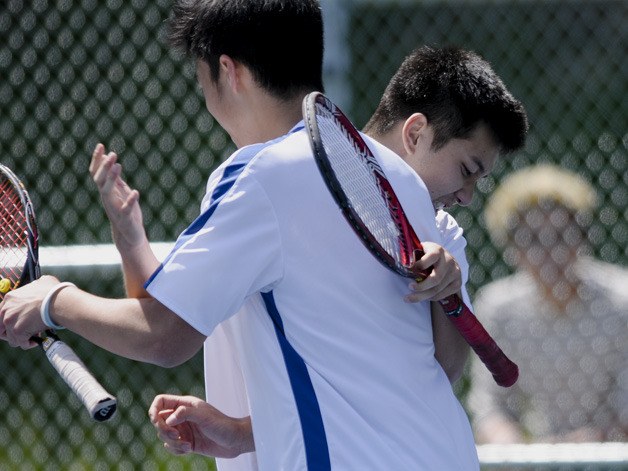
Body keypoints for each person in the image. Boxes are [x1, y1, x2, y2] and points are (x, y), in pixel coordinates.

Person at [0, 0, 527, 467]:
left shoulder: (261, 176)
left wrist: (55, 299)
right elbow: (363, 377)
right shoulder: (402, 187)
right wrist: (241, 434)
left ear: (226, 71)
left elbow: (165, 336)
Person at [467, 164, 628, 444]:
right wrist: (517, 452)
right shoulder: (499, 308)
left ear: (583, 239)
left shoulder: (620, 300)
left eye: (561, 235)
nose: (549, 252)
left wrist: (587, 444)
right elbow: (490, 406)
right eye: (531, 239)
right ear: (512, 249)